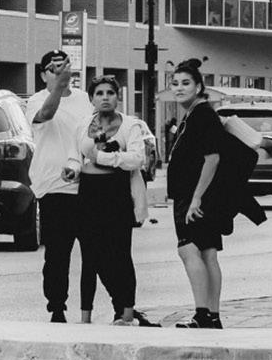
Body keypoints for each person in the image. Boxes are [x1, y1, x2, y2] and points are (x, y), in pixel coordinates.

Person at [71, 76, 155, 327]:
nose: (105, 97)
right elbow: (75, 155)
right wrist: (72, 168)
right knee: (89, 257)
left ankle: (126, 315)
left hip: (117, 192)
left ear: (118, 97)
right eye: (99, 93)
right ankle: (85, 317)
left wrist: (102, 158)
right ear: (91, 98)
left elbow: (137, 159)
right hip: (88, 192)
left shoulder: (131, 125)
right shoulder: (83, 125)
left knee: (120, 254)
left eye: (110, 92)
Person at [166, 58, 236, 329]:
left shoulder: (202, 115)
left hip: (194, 195)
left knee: (188, 250)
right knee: (207, 253)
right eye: (175, 83)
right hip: (201, 194)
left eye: (186, 83)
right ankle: (212, 316)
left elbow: (212, 158)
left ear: (198, 87)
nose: (179, 88)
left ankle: (203, 314)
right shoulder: (196, 114)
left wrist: (195, 199)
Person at [26, 50, 88, 323]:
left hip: (88, 183)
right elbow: (46, 114)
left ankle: (110, 308)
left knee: (97, 251)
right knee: (58, 253)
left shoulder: (85, 99)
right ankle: (57, 307)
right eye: (53, 69)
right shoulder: (37, 100)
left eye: (63, 67)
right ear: (43, 75)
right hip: (54, 187)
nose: (59, 72)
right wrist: (59, 87)